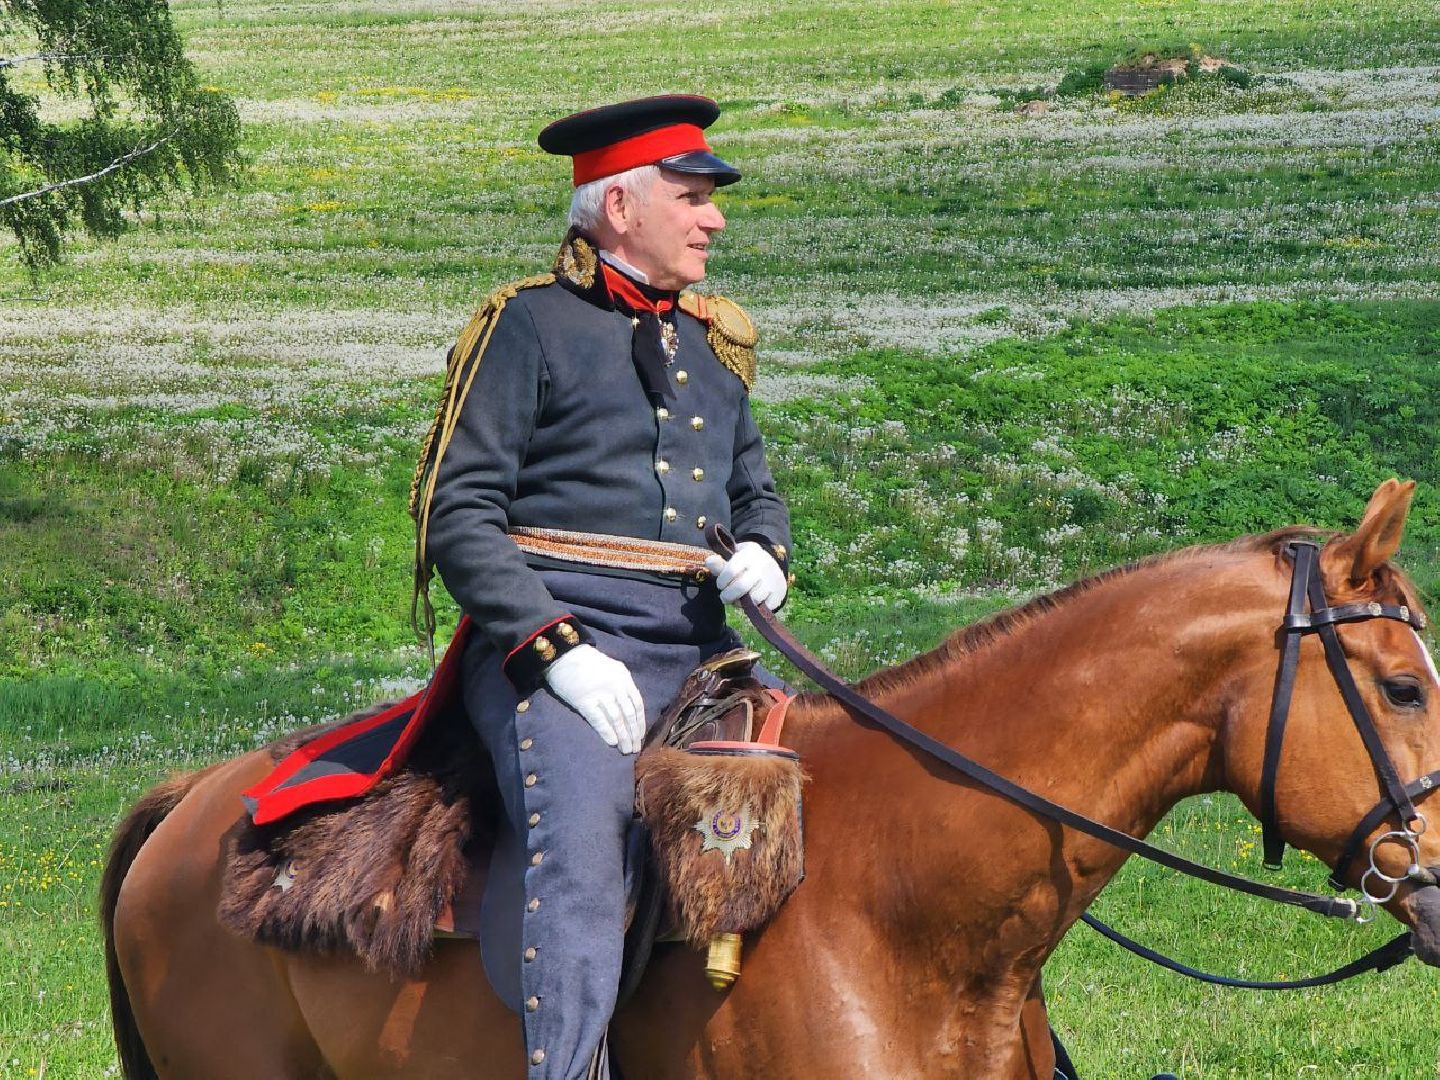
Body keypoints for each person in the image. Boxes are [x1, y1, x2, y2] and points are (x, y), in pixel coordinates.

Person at [409, 94, 792, 1079]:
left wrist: (766, 555)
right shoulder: (525, 328)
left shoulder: (716, 344)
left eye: (711, 199)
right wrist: (559, 653)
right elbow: (459, 516)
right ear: (619, 206)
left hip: (704, 658)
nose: (714, 218)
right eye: (692, 196)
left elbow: (758, 491)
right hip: (563, 657)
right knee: (584, 847)